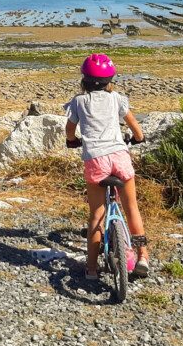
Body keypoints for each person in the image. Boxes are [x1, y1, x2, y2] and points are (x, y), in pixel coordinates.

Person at [64, 52, 150, 280]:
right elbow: (135, 128)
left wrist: (72, 141)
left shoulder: (78, 101)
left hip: (96, 160)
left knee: (96, 215)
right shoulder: (117, 99)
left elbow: (70, 129)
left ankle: (91, 268)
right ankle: (142, 256)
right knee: (132, 208)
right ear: (110, 80)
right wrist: (139, 138)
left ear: (84, 79)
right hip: (120, 156)